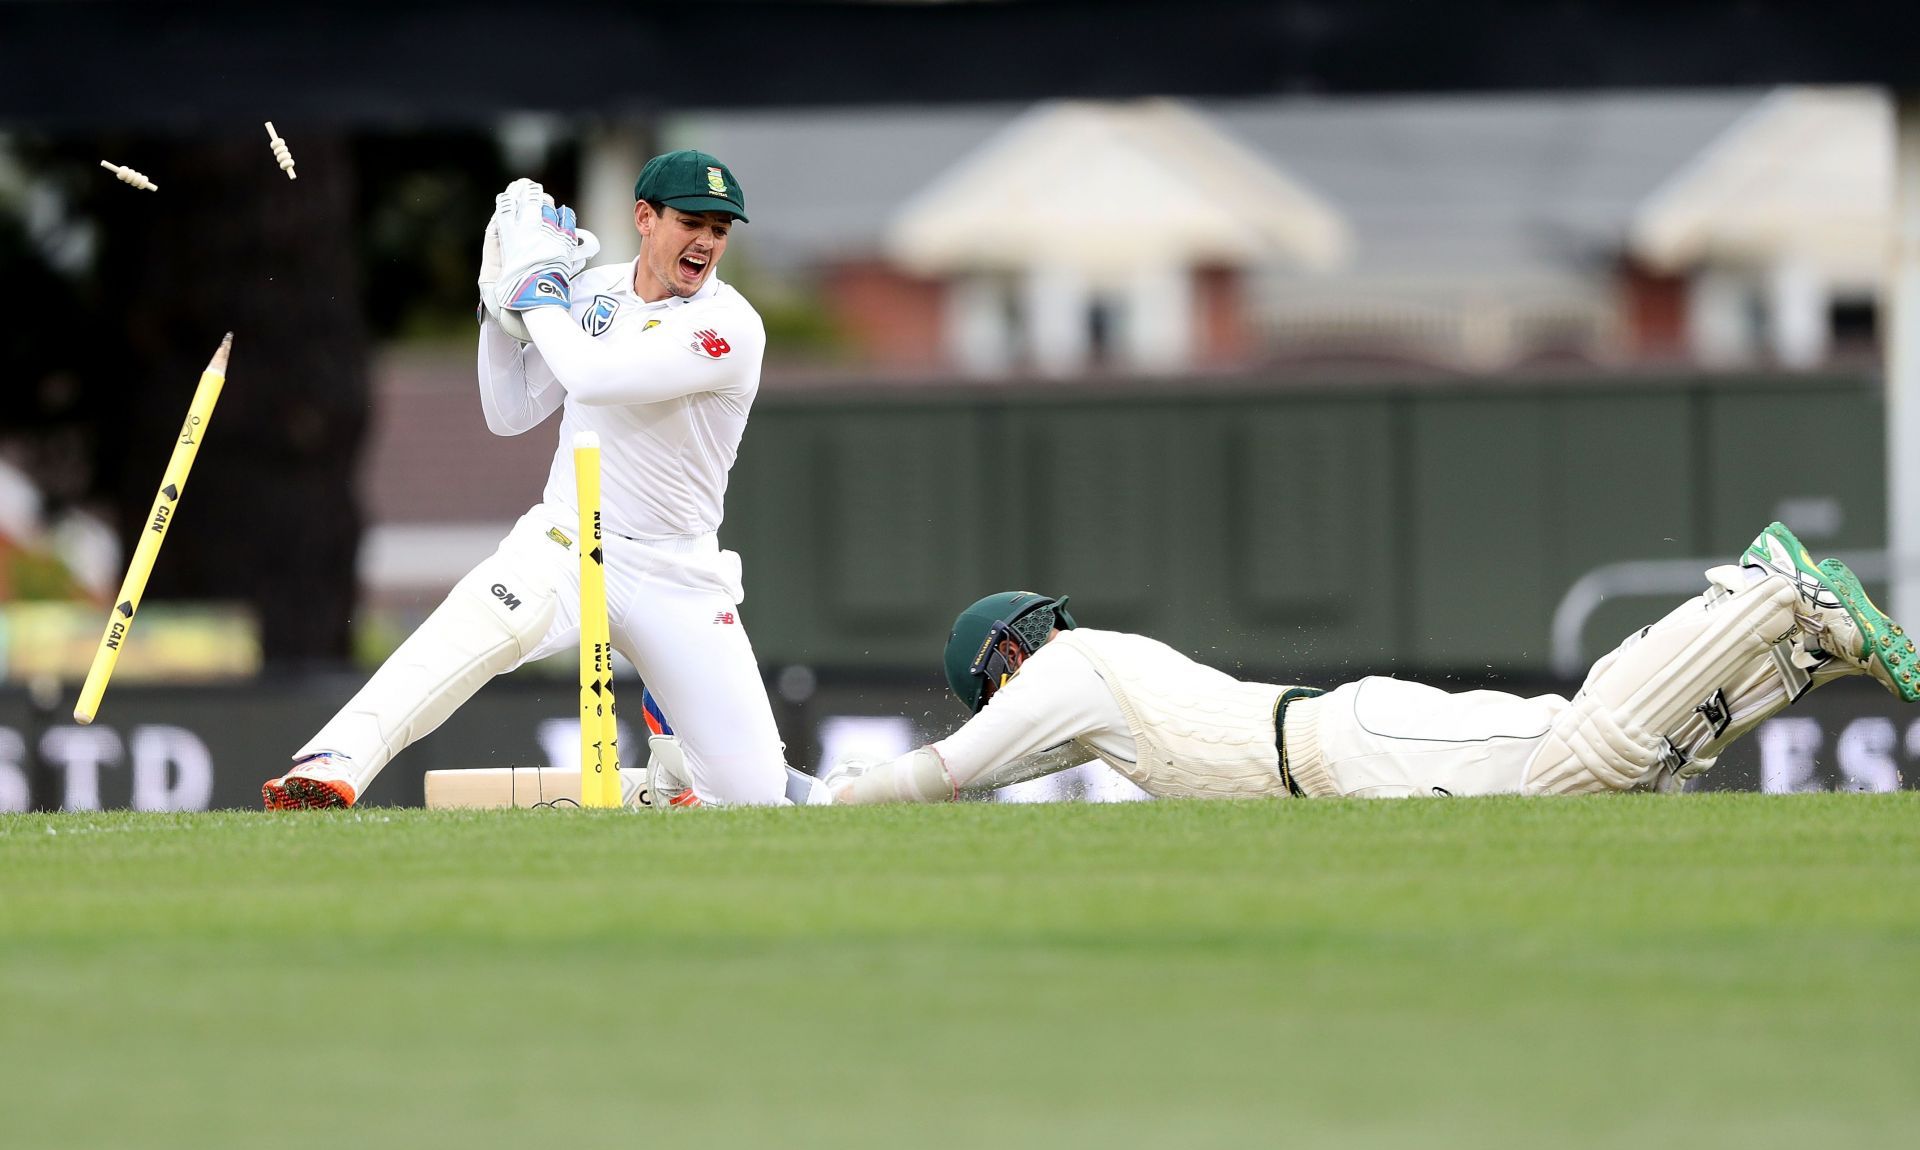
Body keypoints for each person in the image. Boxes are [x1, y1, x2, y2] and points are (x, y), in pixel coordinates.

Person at [266, 151, 808, 809]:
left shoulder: (729, 327)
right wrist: (497, 303)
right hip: (571, 538)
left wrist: (536, 289)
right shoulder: (590, 292)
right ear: (644, 217)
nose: (706, 243)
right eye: (692, 222)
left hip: (677, 570)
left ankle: (671, 777)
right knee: (475, 626)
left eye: (720, 231)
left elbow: (595, 378)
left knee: (751, 799)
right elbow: (510, 410)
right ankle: (334, 762)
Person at [829, 522, 1917, 804]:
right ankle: (1800, 650)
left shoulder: (1068, 671)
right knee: (1625, 773)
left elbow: (942, 773)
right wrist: (760, 790)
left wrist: (816, 806)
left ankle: (1765, 591)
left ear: (1004, 661)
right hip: (1348, 755)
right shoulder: (1082, 698)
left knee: (1582, 753)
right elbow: (972, 780)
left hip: (1346, 741)